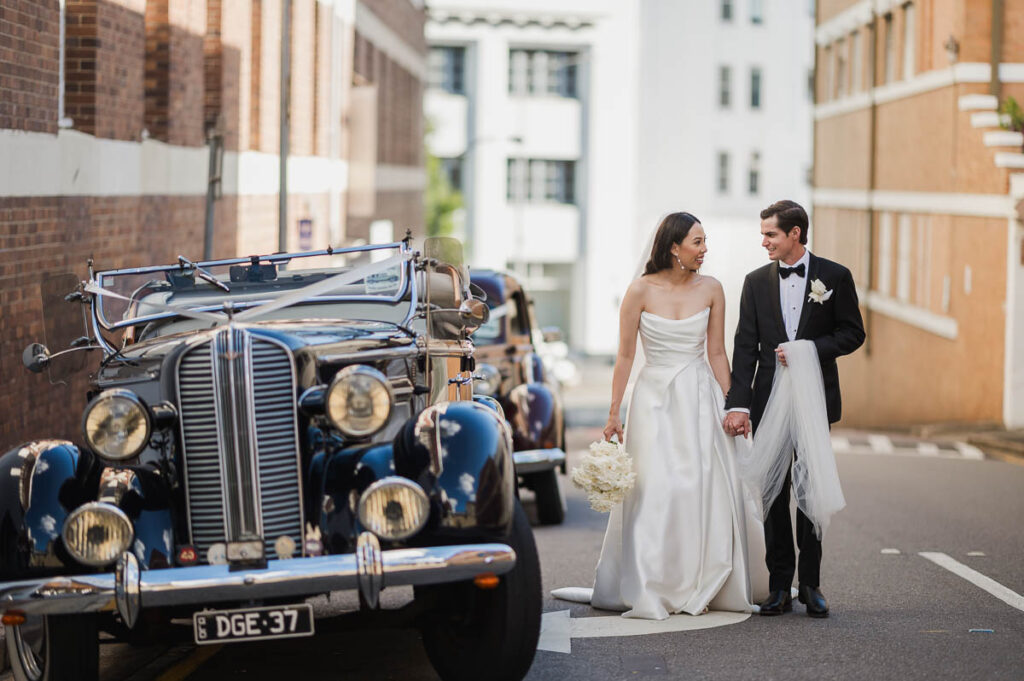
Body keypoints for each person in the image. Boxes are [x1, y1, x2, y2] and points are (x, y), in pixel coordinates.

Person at [582, 212, 768, 620]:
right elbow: (626, 355)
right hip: (653, 401)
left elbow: (717, 352)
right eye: (697, 242)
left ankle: (705, 576)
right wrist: (614, 413)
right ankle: (652, 581)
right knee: (657, 489)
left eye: (705, 242)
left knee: (702, 485)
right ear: (674, 247)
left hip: (701, 397)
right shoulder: (639, 291)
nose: (705, 250)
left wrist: (736, 403)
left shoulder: (713, 289)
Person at [723, 200, 865, 618]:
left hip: (814, 398)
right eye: (763, 233)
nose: (763, 241)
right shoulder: (753, 282)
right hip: (768, 401)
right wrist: (740, 405)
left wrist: (809, 350)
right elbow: (745, 347)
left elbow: (853, 333)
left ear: (795, 234)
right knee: (772, 492)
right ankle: (779, 585)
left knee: (810, 490)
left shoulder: (835, 276)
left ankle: (811, 584)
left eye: (771, 234)